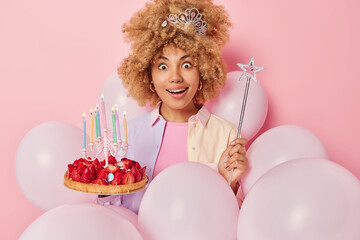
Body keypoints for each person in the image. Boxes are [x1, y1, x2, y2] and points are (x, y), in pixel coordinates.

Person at [98, 0, 248, 213]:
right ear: (148, 75)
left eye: (186, 65)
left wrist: (227, 181)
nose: (175, 77)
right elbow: (111, 214)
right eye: (163, 66)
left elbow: (232, 219)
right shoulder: (126, 135)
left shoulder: (227, 136)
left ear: (203, 71)